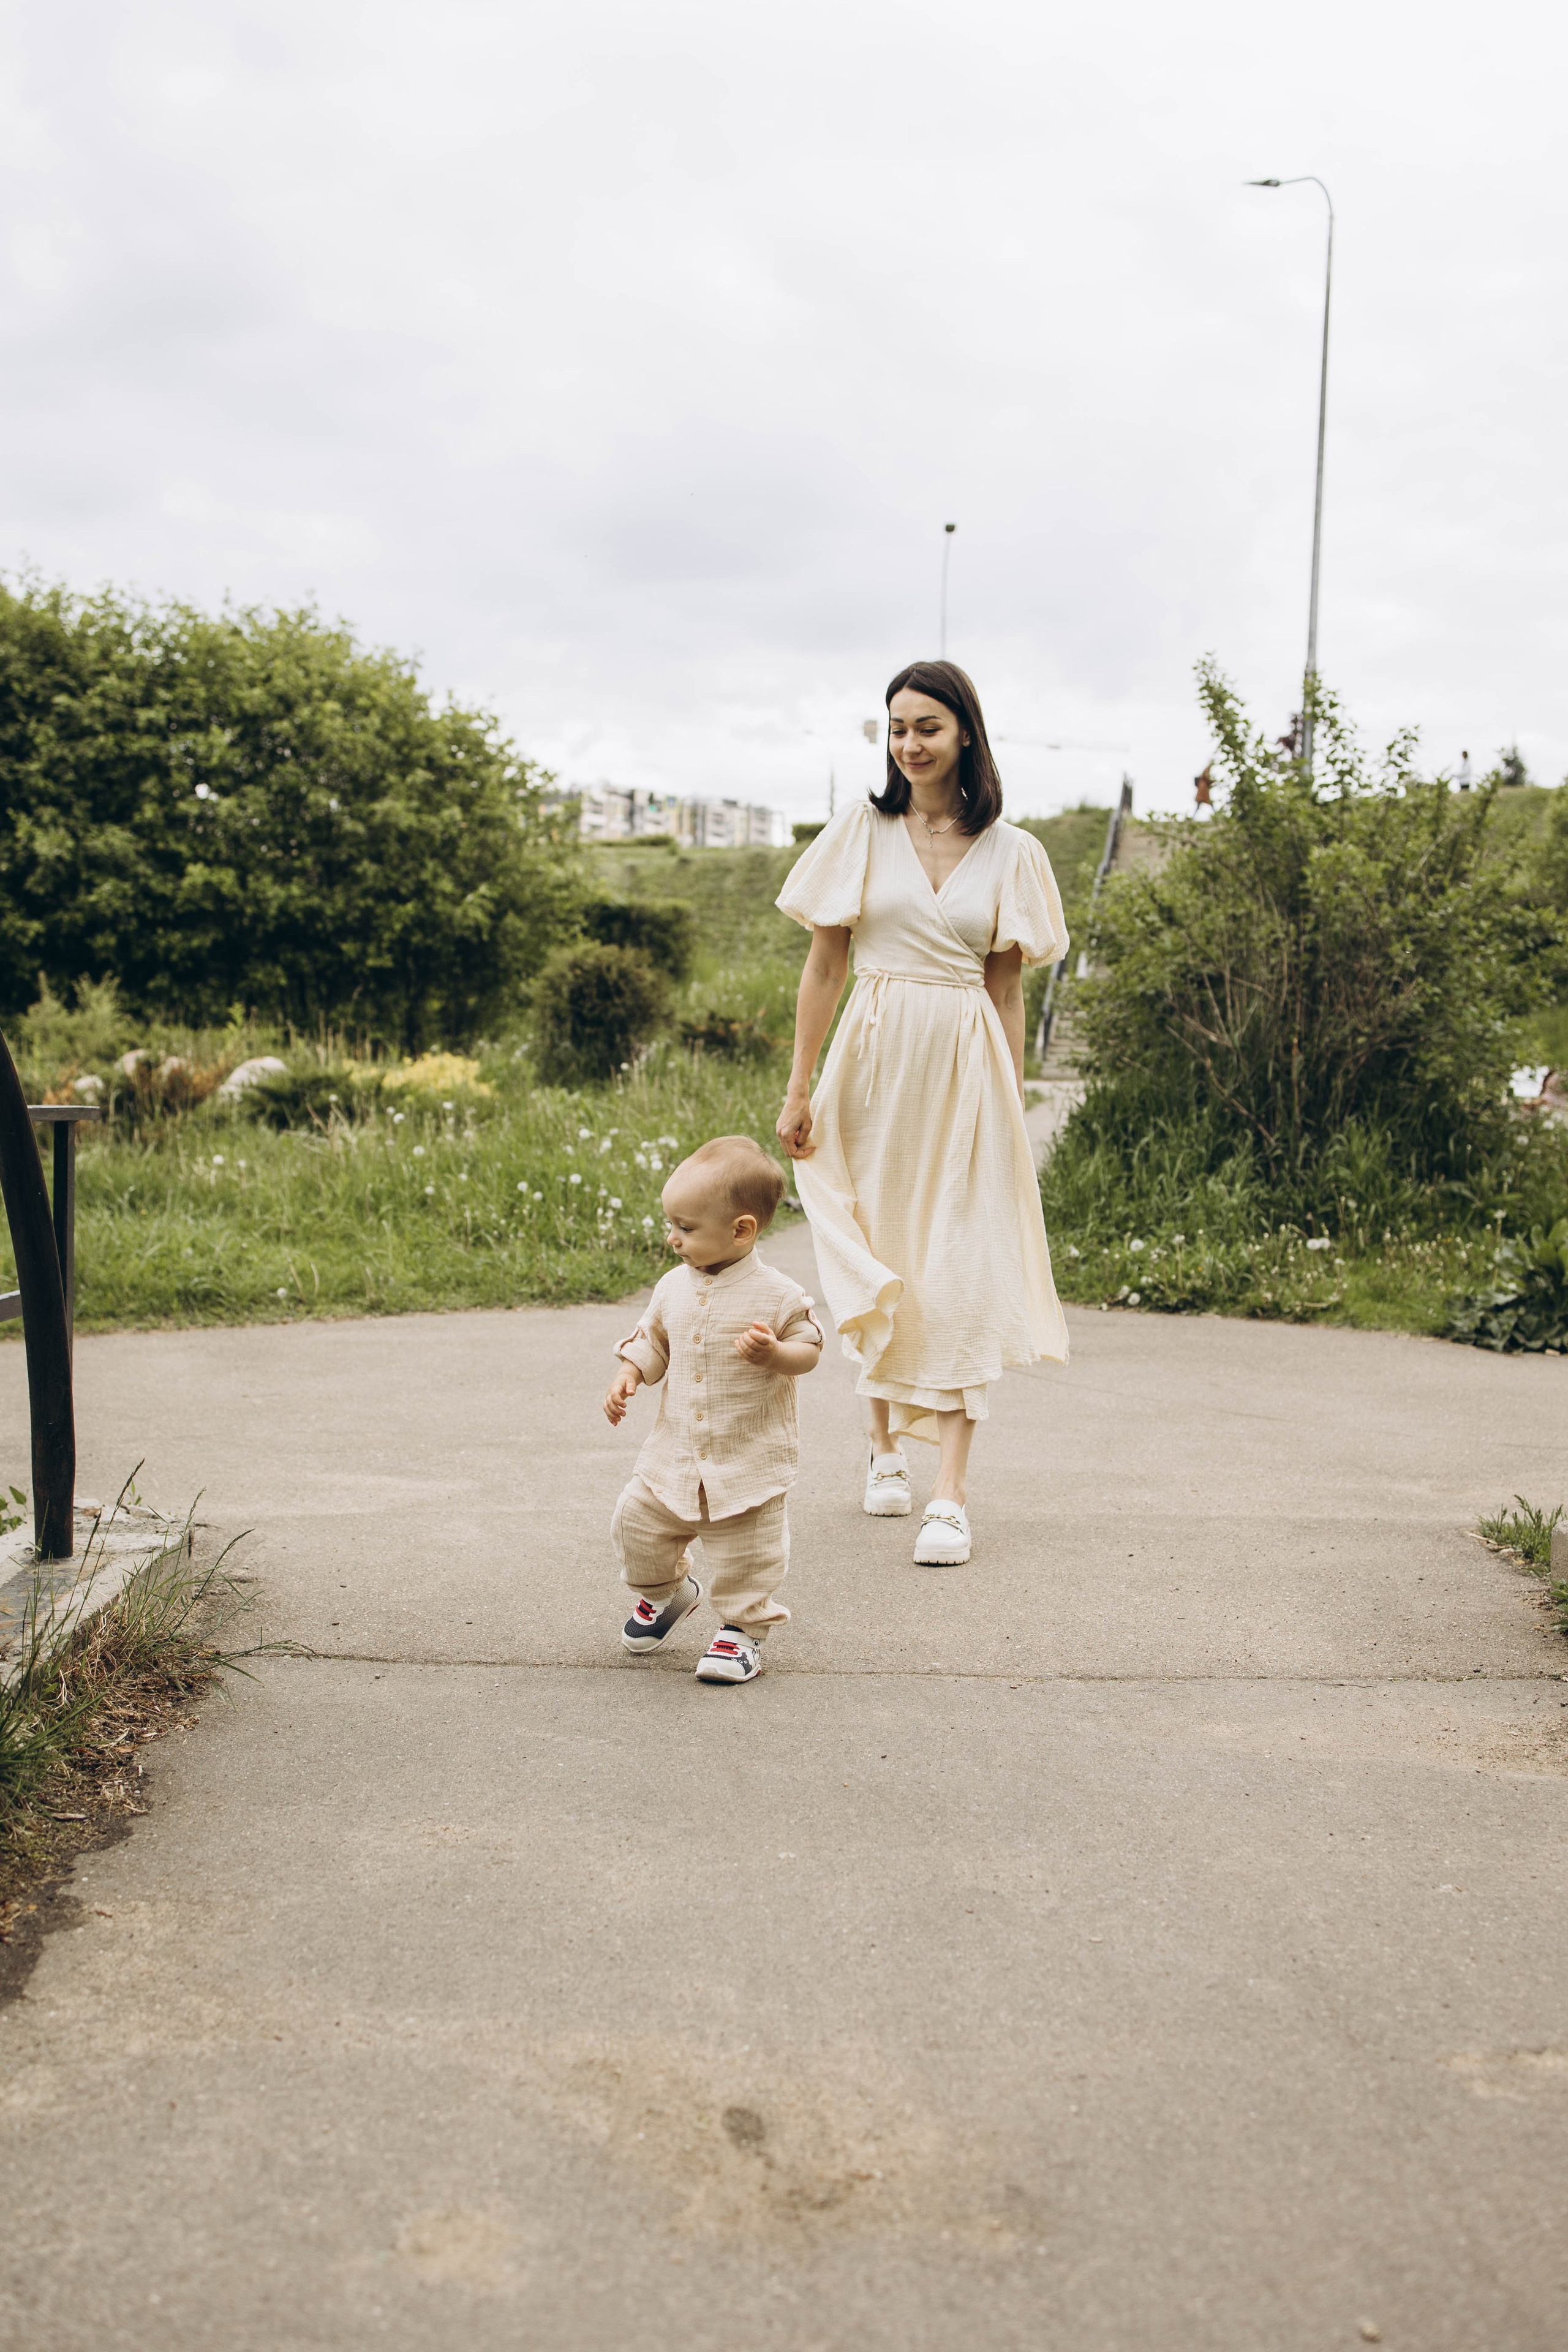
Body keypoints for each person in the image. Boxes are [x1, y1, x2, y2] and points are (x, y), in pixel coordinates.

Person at [774, 659, 1069, 1567]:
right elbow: (825, 967)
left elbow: (1007, 988)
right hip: (871, 1060)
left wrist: (1008, 1099)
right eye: (897, 727)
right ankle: (882, 1448)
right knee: (881, 1248)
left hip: (962, 1069)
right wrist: (798, 1083)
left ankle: (952, 1491)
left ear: (965, 735)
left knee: (961, 1267)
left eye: (927, 727)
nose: (909, 743)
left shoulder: (1015, 851)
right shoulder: (862, 831)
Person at [604, 1134, 823, 1684]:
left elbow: (810, 1346)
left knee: (750, 1556)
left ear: (742, 1230)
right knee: (637, 1527)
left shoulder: (777, 1295)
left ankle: (742, 1631)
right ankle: (670, 1592)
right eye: (670, 1225)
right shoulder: (672, 1287)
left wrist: (777, 1353)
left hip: (747, 1459)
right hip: (673, 1458)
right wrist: (630, 1373)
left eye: (687, 1228)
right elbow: (655, 1340)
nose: (672, 1239)